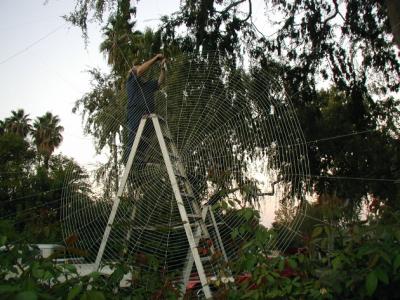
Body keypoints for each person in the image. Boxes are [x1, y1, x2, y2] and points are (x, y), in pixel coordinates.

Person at [125, 54, 166, 164]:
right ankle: (128, 160)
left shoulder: (147, 85)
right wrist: (155, 59)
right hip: (136, 113)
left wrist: (162, 68)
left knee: (145, 140)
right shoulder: (131, 81)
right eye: (136, 67)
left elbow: (159, 82)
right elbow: (139, 71)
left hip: (148, 116)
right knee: (135, 137)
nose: (139, 69)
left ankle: (139, 164)